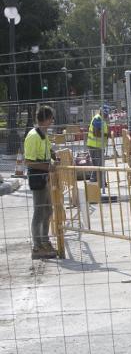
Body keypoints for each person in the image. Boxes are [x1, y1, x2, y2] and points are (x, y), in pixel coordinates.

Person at [24, 105, 57, 259]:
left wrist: (54, 158)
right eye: (51, 119)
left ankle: (45, 240)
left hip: (45, 176)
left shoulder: (43, 134)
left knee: (48, 210)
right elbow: (28, 162)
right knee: (39, 212)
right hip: (38, 177)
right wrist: (48, 167)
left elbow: (49, 151)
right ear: (46, 119)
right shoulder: (33, 136)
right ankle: (37, 246)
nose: (52, 122)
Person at [87, 104, 112, 187]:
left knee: (97, 166)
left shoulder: (102, 119)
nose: (107, 115)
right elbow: (96, 133)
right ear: (103, 112)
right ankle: (97, 184)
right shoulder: (98, 119)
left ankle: (96, 184)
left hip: (97, 146)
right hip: (95, 146)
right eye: (106, 114)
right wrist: (106, 135)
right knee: (99, 166)